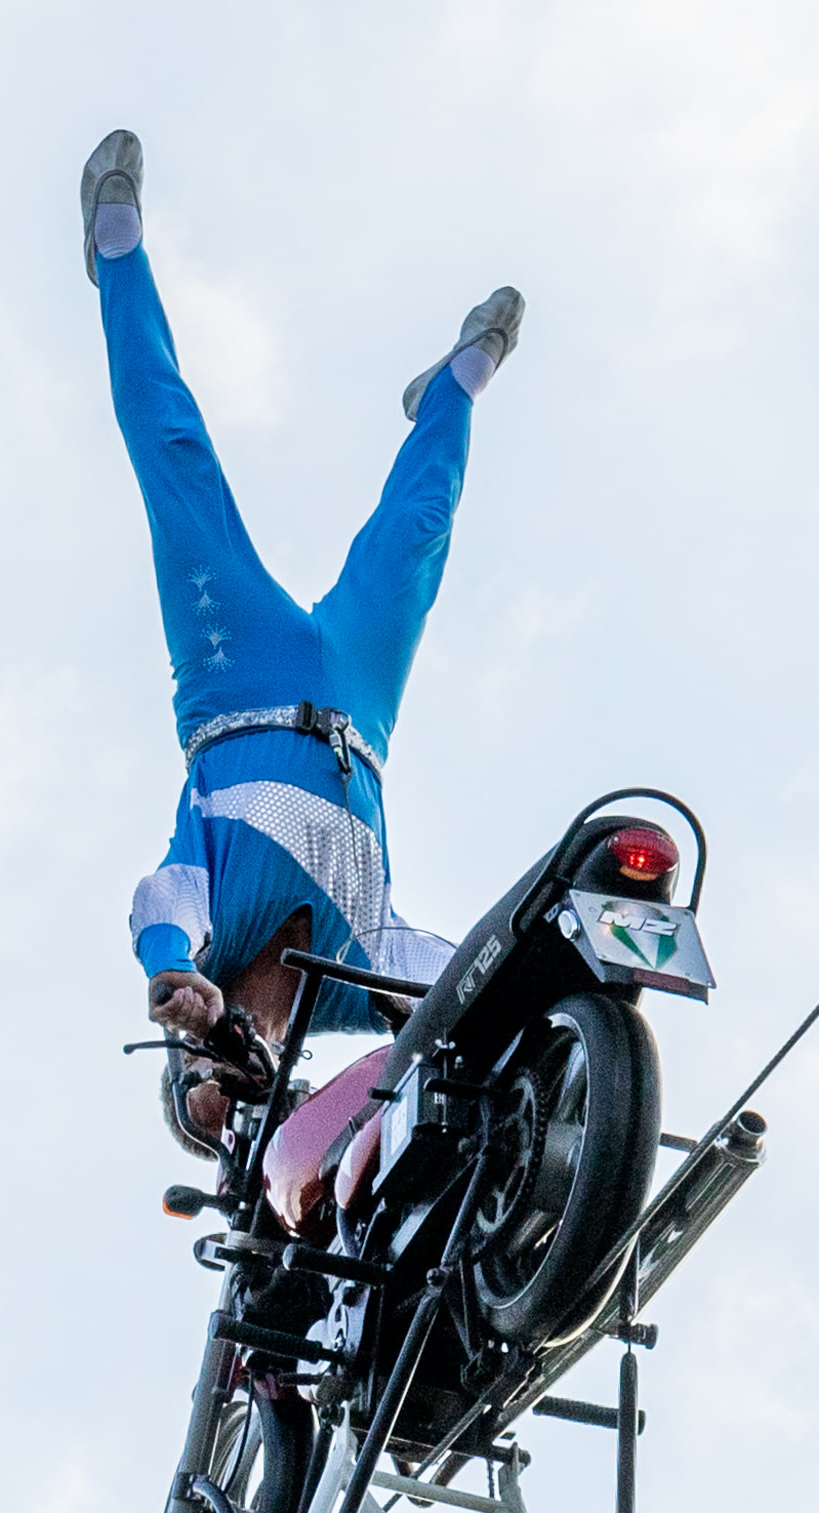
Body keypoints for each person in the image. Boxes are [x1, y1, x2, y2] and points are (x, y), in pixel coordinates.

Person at [82, 131, 523, 1143]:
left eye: (205, 1083)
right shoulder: (355, 977)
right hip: (357, 708)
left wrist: (173, 975)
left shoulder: (204, 924)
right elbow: (466, 976)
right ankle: (451, 393)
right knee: (417, 534)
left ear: (182, 1055)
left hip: (235, 681)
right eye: (244, 1100)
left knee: (177, 463)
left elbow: (158, 903)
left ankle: (116, 257)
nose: (234, 1074)